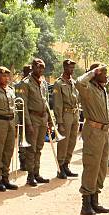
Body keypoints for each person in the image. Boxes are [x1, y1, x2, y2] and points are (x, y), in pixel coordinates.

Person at [76, 63, 109, 215]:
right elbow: (79, 82)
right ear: (96, 74)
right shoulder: (88, 88)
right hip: (94, 132)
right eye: (103, 73)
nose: (106, 75)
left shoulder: (101, 89)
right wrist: (92, 72)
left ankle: (95, 201)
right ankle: (86, 204)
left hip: (104, 132)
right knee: (91, 166)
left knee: (102, 167)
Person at [17, 58, 51, 186]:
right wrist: (28, 123)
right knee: (31, 149)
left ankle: (37, 173)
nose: (40, 70)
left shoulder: (43, 83)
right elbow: (23, 105)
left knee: (39, 148)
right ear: (32, 68)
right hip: (32, 118)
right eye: (38, 67)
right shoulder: (26, 83)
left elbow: (45, 101)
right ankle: (30, 176)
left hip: (43, 117)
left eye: (42, 67)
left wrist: (49, 119)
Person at [53, 59, 80, 179]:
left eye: (73, 68)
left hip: (75, 114)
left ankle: (67, 165)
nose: (72, 70)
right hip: (65, 115)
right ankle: (60, 167)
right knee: (63, 142)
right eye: (70, 68)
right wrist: (59, 121)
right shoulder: (58, 83)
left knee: (72, 141)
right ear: (64, 68)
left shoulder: (73, 82)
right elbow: (57, 104)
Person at [15, 65, 31, 171]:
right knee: (22, 138)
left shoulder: (37, 83)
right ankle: (23, 161)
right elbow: (19, 102)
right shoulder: (20, 85)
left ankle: (30, 162)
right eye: (27, 72)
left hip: (33, 115)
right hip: (22, 115)